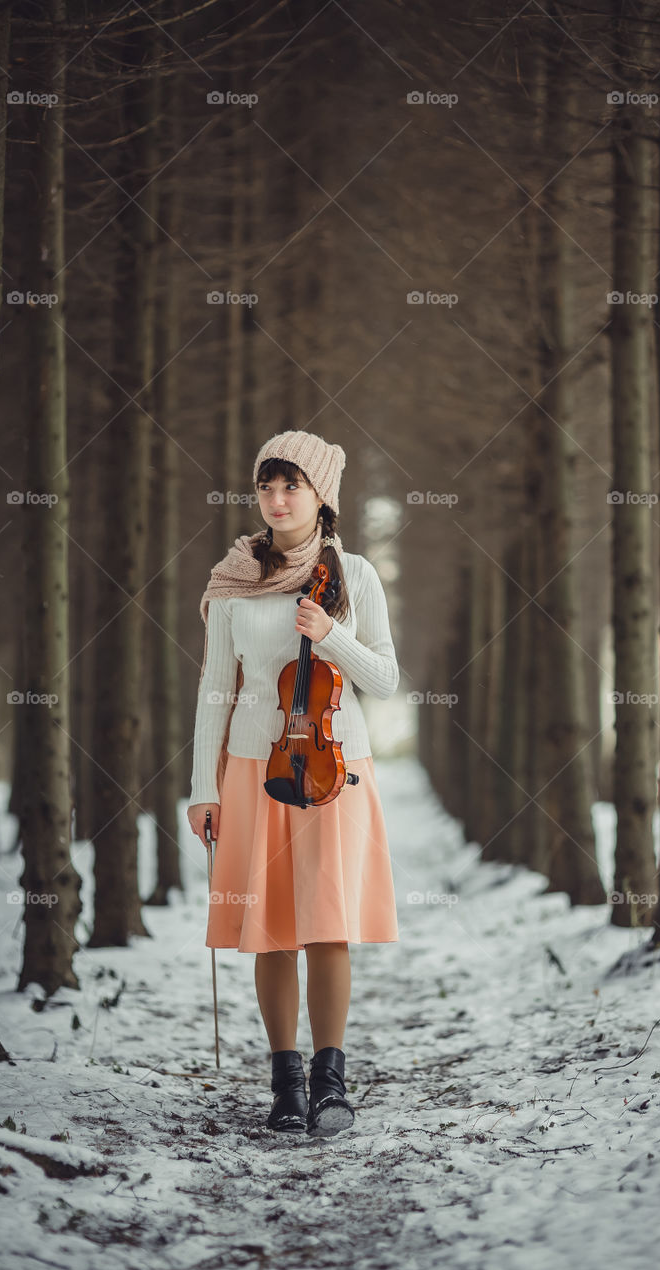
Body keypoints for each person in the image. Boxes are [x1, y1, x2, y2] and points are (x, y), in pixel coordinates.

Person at [186, 429, 400, 1137]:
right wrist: (203, 787)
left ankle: (330, 1080)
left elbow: (385, 679)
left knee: (328, 924)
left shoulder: (354, 575)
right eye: (266, 487)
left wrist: (330, 635)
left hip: (336, 767)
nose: (276, 500)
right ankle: (285, 1083)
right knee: (270, 928)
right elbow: (215, 691)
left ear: (321, 495)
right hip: (254, 769)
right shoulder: (233, 581)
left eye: (292, 486)